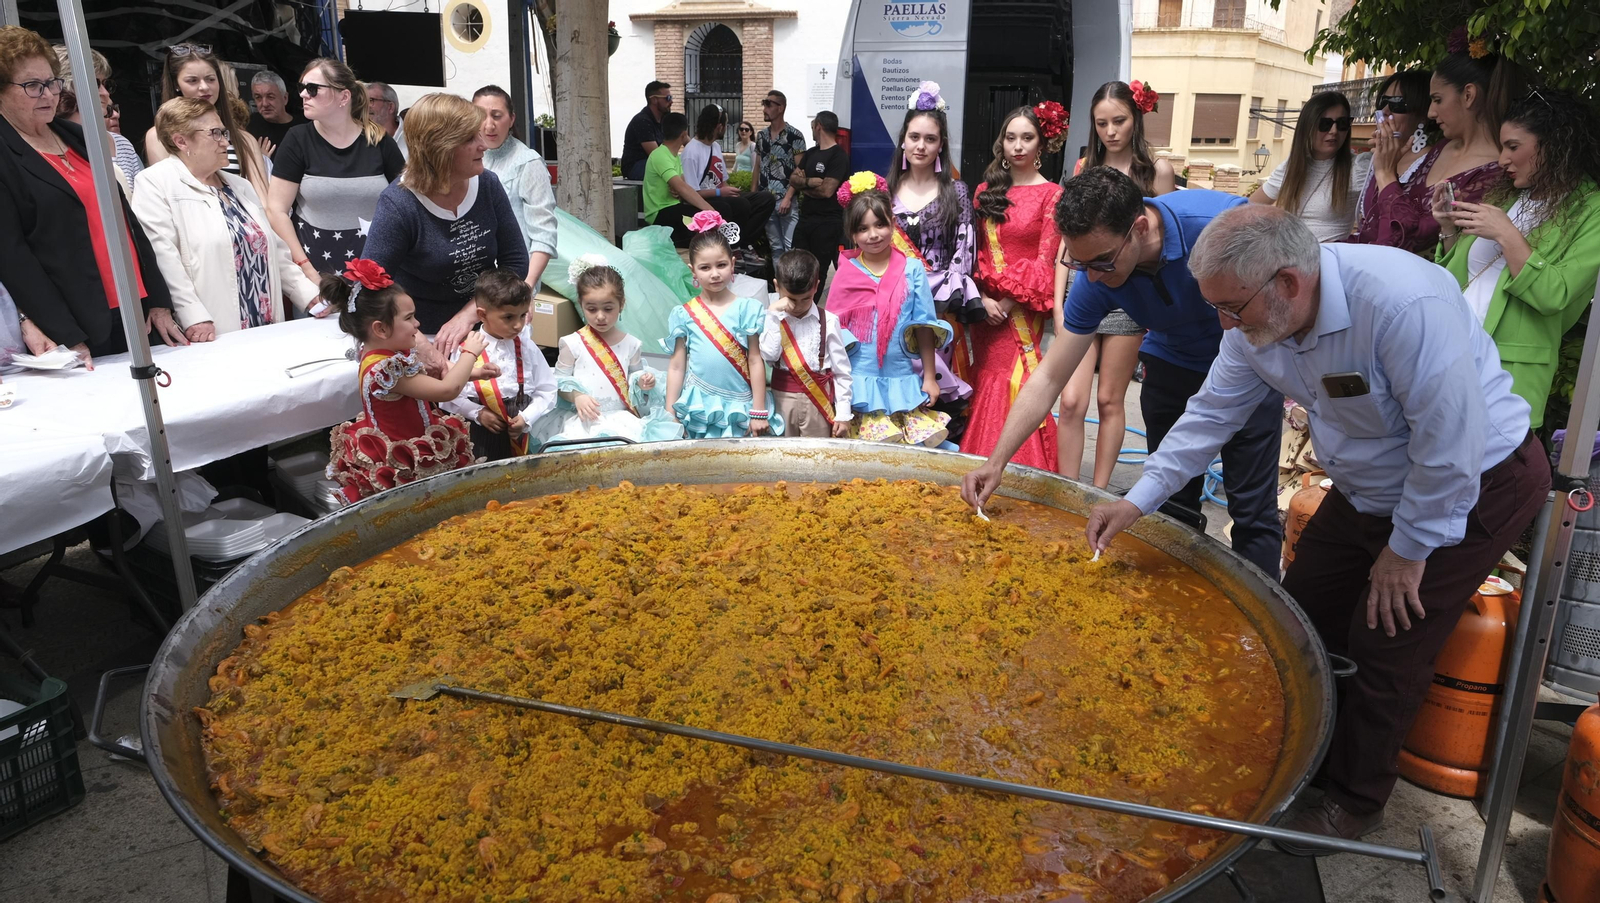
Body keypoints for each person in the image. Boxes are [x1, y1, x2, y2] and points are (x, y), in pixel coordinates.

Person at [1039, 205, 1549, 849]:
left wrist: (1408, 549)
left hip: (1476, 479)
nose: (1223, 324)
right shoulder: (1250, 323)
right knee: (1300, 616)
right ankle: (1308, 766)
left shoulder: (1402, 301)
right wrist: (1135, 501)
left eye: (1231, 308)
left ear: (1287, 283)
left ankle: (1355, 804)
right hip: (1368, 483)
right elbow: (1206, 419)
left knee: (1386, 638)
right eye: (1216, 308)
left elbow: (1449, 442)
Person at [968, 167, 1284, 576]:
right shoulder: (1093, 274)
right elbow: (1048, 377)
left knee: (1252, 509)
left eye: (1102, 261)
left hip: (1250, 366)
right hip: (1172, 363)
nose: (1094, 276)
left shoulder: (1215, 224)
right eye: (1080, 264)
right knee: (1170, 501)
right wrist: (996, 462)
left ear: (1138, 228)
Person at [0, 25, 182, 369]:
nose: (49, 94)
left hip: (137, 308)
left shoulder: (75, 136)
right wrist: (63, 330)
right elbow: (12, 255)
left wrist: (158, 298)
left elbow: (127, 221)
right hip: (77, 324)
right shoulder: (5, 154)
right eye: (32, 86)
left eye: (52, 82)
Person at [1437, 87, 1600, 430]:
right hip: (1449, 357)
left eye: (1513, 146)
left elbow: (1554, 295)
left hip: (1506, 377)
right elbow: (1464, 276)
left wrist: (1507, 234)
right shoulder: (1509, 195)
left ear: (1555, 145)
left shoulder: (1592, 210)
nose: (1502, 159)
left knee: (1491, 478)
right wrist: (1448, 228)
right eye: (1502, 146)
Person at [132, 97, 323, 342]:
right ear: (181, 140)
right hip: (210, 330)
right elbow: (163, 257)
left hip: (266, 323)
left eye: (223, 132)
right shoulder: (155, 183)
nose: (226, 141)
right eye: (215, 133)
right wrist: (192, 315)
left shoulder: (240, 185)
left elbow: (274, 250)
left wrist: (310, 296)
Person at [1059, 80, 1172, 484]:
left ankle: (1099, 492)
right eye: (1102, 122)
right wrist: (1060, 302)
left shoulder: (1155, 171)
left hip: (1132, 297)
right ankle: (1066, 488)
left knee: (1109, 398)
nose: (1111, 131)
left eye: (1119, 121)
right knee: (1071, 399)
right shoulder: (1084, 168)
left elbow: (1166, 242)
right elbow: (1066, 241)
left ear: (1135, 119)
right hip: (1086, 288)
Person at [363, 93, 528, 352]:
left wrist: (468, 314)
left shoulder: (487, 185)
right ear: (440, 147)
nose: (482, 144)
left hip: (489, 329)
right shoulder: (399, 203)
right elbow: (370, 288)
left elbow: (516, 261)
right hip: (424, 337)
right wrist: (416, 340)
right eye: (470, 138)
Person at [324, 259, 489, 503]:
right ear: (380, 329)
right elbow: (447, 389)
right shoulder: (386, 369)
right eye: (410, 318)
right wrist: (470, 353)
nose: (417, 324)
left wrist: (474, 373)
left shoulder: (383, 356)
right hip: (402, 457)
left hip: (412, 442)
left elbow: (426, 376)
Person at [960, 104, 1067, 470]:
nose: (1018, 146)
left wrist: (1004, 302)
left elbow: (1045, 261)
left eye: (1027, 137)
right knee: (986, 378)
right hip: (985, 312)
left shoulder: (1052, 194)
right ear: (1001, 145)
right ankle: (976, 464)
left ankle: (1021, 471)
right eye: (1010, 138)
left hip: (1021, 309)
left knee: (1016, 381)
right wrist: (984, 298)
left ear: (1042, 145)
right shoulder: (986, 192)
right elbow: (975, 254)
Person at [1353, 32, 1523, 256]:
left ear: (1469, 95)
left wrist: (1386, 174)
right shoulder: (1441, 148)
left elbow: (1408, 240)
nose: (1431, 113)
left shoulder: (1495, 172)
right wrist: (1389, 168)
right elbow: (1378, 224)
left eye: (1437, 99)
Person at [832, 179, 950, 447]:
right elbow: (831, 331)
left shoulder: (912, 269)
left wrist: (929, 377)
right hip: (857, 379)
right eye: (863, 228)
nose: (873, 235)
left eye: (880, 224)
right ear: (852, 233)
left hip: (902, 379)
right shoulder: (846, 272)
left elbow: (924, 326)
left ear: (893, 224)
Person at [267, 58, 405, 284]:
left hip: (377, 274)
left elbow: (405, 203)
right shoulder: (297, 139)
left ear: (344, 96)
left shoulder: (379, 140)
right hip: (318, 276)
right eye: (301, 87)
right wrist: (306, 269)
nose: (303, 95)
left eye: (312, 89)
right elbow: (276, 210)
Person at [887, 81, 980, 412]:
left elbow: (964, 253)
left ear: (941, 145)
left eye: (930, 139)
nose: (921, 146)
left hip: (939, 313)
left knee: (936, 401)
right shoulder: (884, 192)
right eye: (914, 137)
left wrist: (937, 305)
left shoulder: (956, 191)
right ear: (903, 141)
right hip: (891, 311)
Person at [664, 215, 784, 438]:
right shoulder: (683, 313)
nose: (714, 273)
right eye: (705, 267)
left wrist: (758, 410)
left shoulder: (747, 309)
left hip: (741, 404)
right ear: (693, 271)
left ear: (732, 264)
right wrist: (670, 411)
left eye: (721, 265)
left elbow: (755, 359)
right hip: (698, 405)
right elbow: (676, 366)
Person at [543, 254, 682, 445]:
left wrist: (643, 382)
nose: (600, 317)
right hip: (585, 423)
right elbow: (558, 383)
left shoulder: (632, 344)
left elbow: (635, 378)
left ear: (621, 304)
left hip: (622, 421)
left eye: (608, 309)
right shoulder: (572, 343)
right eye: (591, 309)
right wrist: (577, 397)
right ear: (581, 304)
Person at [441, 268, 555, 460]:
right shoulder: (465, 349)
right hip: (477, 434)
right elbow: (450, 395)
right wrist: (476, 413)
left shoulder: (528, 347)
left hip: (519, 433)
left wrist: (527, 418)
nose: (518, 325)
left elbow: (547, 390)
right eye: (509, 317)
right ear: (482, 315)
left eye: (522, 315)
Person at [143, 44, 267, 201]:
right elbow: (169, 195)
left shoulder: (243, 139)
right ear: (176, 84)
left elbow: (264, 202)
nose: (204, 87)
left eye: (210, 79)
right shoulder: (158, 136)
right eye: (192, 81)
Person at [1250, 92, 1370, 241]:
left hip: (1327, 260)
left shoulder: (1358, 168)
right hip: (1286, 257)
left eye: (1342, 123)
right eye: (1324, 124)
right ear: (1307, 126)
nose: (1334, 131)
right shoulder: (1292, 166)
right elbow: (1247, 209)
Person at [760, 249, 854, 438]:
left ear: (816, 286)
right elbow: (769, 355)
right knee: (782, 456)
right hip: (782, 398)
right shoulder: (771, 318)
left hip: (818, 401)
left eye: (806, 298)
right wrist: (773, 315)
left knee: (818, 457)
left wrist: (843, 414)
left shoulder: (829, 320)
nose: (798, 305)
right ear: (777, 286)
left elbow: (842, 371)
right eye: (791, 299)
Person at [473, 85, 557, 292]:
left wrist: (526, 286)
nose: (489, 125)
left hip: (512, 285)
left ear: (511, 119)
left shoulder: (528, 163)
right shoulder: (465, 159)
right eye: (481, 116)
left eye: (497, 116)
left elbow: (544, 234)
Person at [680, 103, 775, 250]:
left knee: (765, 199)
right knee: (739, 205)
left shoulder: (716, 147)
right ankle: (736, 248)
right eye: (725, 124)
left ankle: (743, 244)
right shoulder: (691, 152)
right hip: (702, 201)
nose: (726, 128)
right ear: (719, 126)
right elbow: (692, 194)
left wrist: (729, 191)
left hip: (720, 196)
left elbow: (722, 182)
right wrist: (720, 192)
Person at [51, 44, 141, 191]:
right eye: (94, 84)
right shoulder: (47, 144)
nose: (105, 93)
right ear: (65, 87)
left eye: (106, 84)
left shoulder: (121, 144)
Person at [1356, 71, 1434, 228]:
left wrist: (1386, 174)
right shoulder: (1378, 156)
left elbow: (1407, 228)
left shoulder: (1431, 161)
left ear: (1422, 114)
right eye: (1383, 101)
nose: (1385, 111)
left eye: (1398, 103)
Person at [790, 111, 851, 295]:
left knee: (817, 271)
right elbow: (793, 179)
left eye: (812, 127)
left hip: (827, 224)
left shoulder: (839, 156)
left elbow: (826, 191)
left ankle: (812, 311)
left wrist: (803, 185)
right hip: (805, 220)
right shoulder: (811, 153)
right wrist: (809, 182)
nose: (812, 131)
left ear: (818, 126)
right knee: (797, 266)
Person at [641, 111, 716, 248]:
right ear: (684, 134)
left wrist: (678, 188)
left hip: (674, 207)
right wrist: (711, 212)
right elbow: (682, 187)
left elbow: (681, 185)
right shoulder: (660, 155)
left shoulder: (675, 156)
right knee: (704, 217)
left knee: (721, 208)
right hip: (659, 213)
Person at [753, 89, 806, 258]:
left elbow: (800, 171)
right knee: (775, 248)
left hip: (786, 200)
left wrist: (788, 198)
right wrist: (753, 197)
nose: (764, 109)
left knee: (790, 248)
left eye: (768, 104)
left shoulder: (794, 136)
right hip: (765, 201)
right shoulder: (761, 136)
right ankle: (779, 285)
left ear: (781, 107)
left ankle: (790, 284)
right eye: (764, 104)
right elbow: (757, 166)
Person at [621, 80, 672, 181]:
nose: (671, 101)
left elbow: (683, 138)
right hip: (636, 166)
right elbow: (656, 155)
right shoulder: (642, 121)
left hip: (651, 163)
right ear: (654, 100)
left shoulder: (665, 118)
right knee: (669, 170)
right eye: (668, 98)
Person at [248, 70, 304, 157]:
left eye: (270, 97)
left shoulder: (302, 128)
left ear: (285, 98)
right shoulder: (248, 124)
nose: (265, 104)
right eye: (258, 97)